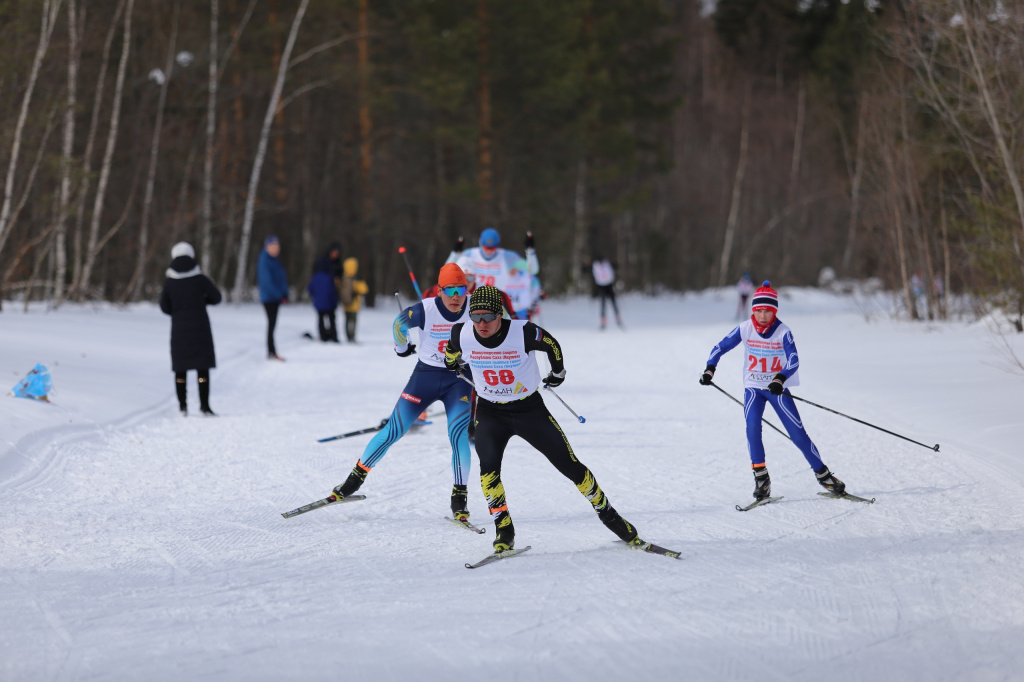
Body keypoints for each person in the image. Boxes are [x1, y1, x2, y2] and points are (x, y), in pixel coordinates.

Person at [443, 285, 645, 553]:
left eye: (488, 317)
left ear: (500, 315)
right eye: (476, 317)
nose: (481, 324)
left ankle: (610, 516)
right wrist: (452, 362)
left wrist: (558, 372)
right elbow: (450, 353)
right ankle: (504, 529)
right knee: (488, 472)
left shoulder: (522, 331)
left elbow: (551, 344)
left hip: (529, 410)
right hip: (490, 412)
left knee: (569, 465)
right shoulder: (462, 332)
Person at [329, 264, 474, 521]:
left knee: (458, 435)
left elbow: (501, 324)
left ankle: (459, 498)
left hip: (459, 379)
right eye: (449, 289)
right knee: (393, 430)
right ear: (440, 290)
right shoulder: (427, 308)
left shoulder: (474, 307)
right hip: (425, 377)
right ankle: (353, 481)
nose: (455, 296)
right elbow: (399, 323)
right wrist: (402, 347)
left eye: (460, 289)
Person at [698, 280, 847, 501]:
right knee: (752, 429)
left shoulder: (783, 331)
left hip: (776, 389)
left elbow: (794, 359)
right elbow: (720, 347)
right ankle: (762, 480)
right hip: (753, 388)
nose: (763, 315)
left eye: (767, 311)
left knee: (797, 434)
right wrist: (710, 368)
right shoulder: (745, 328)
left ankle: (824, 476)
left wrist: (780, 378)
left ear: (774, 311)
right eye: (758, 310)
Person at [159, 242, 222, 416]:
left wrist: (177, 310)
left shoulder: (170, 282)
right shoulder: (200, 278)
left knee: (181, 370)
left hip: (179, 330)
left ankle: (183, 407)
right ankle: (204, 406)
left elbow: (164, 307)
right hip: (200, 328)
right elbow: (216, 297)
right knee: (202, 369)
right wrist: (202, 302)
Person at [446, 228, 539, 295]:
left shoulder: (507, 257)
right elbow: (447, 271)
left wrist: (530, 251)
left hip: (498, 302)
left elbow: (533, 270)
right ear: (481, 243)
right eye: (486, 247)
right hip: (472, 300)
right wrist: (455, 253)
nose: (489, 251)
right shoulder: (469, 254)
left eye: (493, 248)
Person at [258, 236, 289, 361]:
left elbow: (281, 279)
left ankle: (272, 351)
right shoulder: (264, 261)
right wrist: (279, 295)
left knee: (273, 325)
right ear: (267, 247)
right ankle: (271, 352)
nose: (276, 249)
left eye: (277, 247)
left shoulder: (274, 261)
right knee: (271, 324)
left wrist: (285, 293)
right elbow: (267, 282)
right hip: (269, 298)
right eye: (273, 247)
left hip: (275, 298)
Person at [307, 255, 339, 342]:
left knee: (320, 319)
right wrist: (335, 302)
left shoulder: (314, 277)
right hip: (329, 303)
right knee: (331, 319)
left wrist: (316, 297)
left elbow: (310, 289)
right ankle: (333, 335)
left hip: (318, 303)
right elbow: (331, 291)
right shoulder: (329, 277)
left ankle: (323, 335)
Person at [338, 257, 369, 342]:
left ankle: (348, 336)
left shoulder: (343, 278)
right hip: (354, 304)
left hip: (345, 304)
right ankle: (352, 337)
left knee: (347, 321)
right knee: (353, 321)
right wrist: (361, 282)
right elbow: (364, 290)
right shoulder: (356, 279)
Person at [591, 256, 621, 330]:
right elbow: (597, 277)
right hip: (602, 286)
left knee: (613, 303)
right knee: (603, 304)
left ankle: (618, 319)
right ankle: (603, 322)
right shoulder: (596, 266)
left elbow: (610, 275)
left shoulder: (607, 265)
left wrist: (606, 279)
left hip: (609, 285)